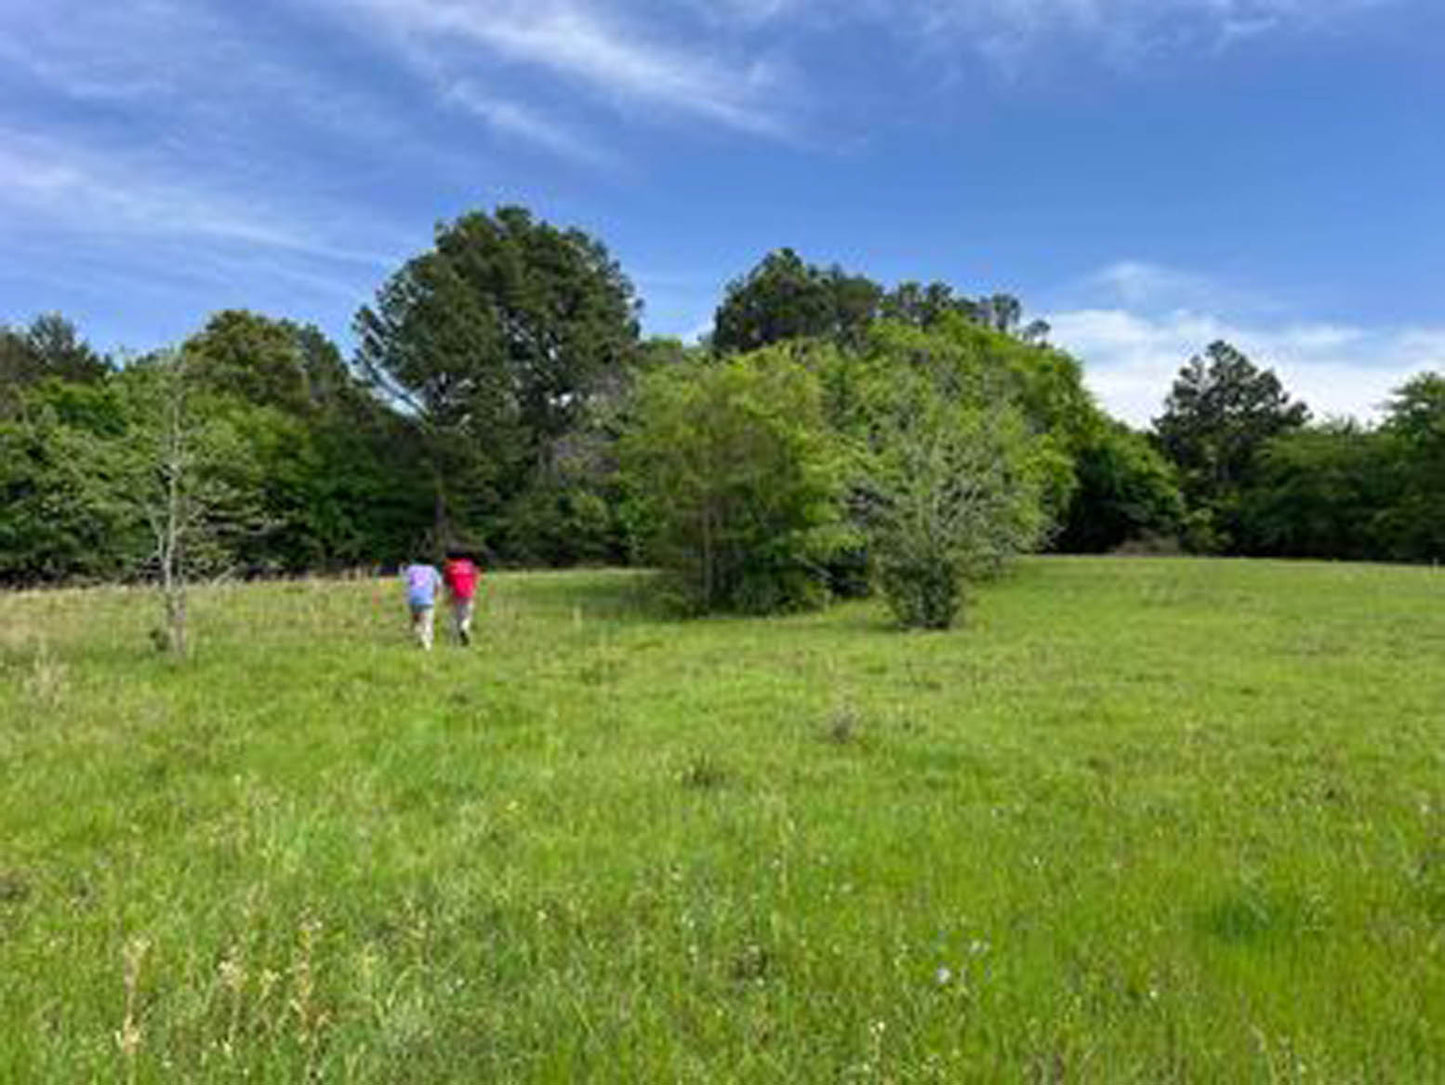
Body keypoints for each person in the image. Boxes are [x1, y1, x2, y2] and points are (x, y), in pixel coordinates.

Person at [401, 560, 443, 650]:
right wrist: (435, 595)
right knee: (427, 622)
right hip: (427, 600)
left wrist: (406, 596)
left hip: (413, 599)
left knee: (416, 621)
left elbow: (406, 583)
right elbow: (438, 584)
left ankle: (419, 639)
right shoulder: (432, 570)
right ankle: (426, 644)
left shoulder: (411, 569)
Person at [442, 550, 481, 646]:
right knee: (466, 615)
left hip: (455, 594)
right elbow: (475, 580)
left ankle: (454, 640)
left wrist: (446, 597)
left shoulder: (449, 567)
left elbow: (446, 583)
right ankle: (464, 628)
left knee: (454, 617)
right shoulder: (470, 566)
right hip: (468, 593)